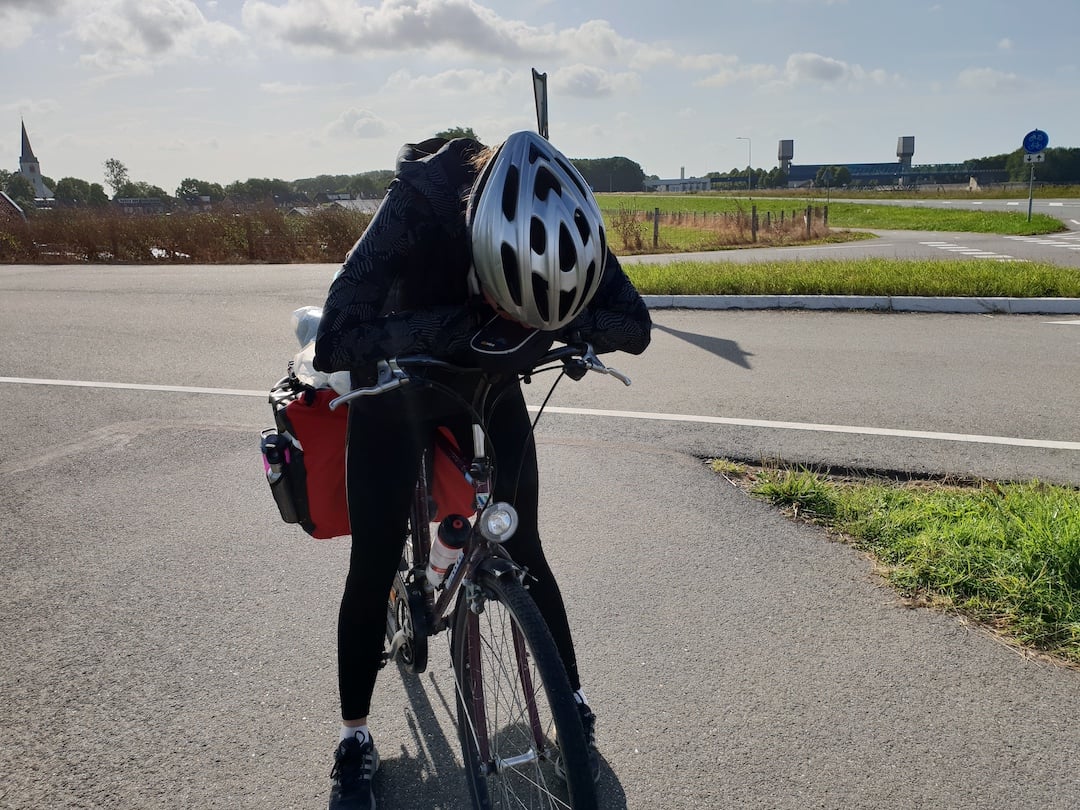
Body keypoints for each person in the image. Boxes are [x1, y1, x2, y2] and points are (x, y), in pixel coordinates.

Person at [313, 129, 652, 809]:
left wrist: (543, 326)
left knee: (524, 545)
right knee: (374, 561)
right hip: (395, 385)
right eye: (510, 297)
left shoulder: (559, 217)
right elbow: (334, 340)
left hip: (491, 381)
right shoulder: (417, 203)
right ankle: (353, 738)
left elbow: (633, 326)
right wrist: (460, 325)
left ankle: (571, 704)